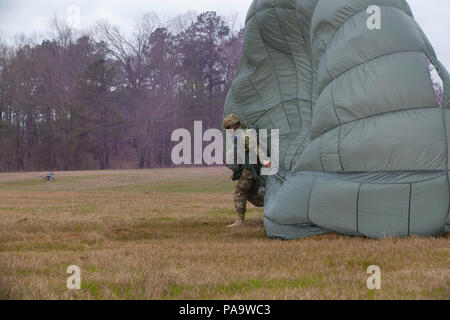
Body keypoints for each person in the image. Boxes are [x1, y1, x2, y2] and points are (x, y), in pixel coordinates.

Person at [223, 114, 271, 228]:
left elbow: (256, 148)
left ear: (234, 125)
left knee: (239, 192)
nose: (229, 130)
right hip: (247, 168)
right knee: (250, 194)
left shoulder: (246, 134)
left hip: (251, 169)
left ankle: (240, 220)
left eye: (229, 127)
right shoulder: (239, 135)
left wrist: (265, 161)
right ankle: (273, 204)